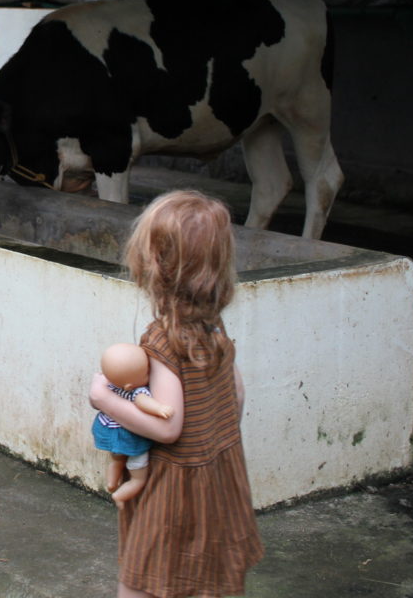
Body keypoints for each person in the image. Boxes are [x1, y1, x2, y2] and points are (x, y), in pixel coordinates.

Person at [88, 190, 263, 598]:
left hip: (174, 486)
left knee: (144, 579)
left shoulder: (165, 340)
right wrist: (215, 443)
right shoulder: (213, 328)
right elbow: (236, 393)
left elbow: (167, 426)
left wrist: (105, 399)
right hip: (219, 473)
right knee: (212, 577)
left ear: (155, 264)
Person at [91, 341, 173, 508]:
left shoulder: (109, 383)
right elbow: (143, 402)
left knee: (117, 459)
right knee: (138, 477)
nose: (149, 375)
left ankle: (112, 483)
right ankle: (121, 495)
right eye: (147, 372)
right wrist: (159, 408)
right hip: (129, 437)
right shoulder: (138, 390)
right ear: (129, 385)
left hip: (107, 429)